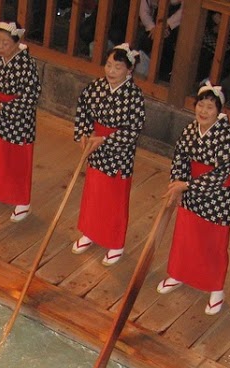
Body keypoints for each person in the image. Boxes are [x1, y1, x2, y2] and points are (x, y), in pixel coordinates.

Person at [157, 83, 230, 315]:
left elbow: (222, 172)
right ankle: (179, 273)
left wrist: (187, 185)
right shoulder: (190, 129)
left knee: (213, 244)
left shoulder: (228, 136)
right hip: (190, 191)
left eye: (209, 107)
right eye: (200, 106)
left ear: (219, 111)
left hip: (217, 197)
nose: (203, 111)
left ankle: (216, 289)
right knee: (186, 235)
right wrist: (177, 183)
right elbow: (180, 159)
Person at [72, 43, 146, 266]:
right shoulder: (96, 87)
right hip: (95, 148)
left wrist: (104, 139)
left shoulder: (134, 97)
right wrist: (83, 134)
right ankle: (90, 232)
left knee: (114, 200)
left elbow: (133, 129)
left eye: (117, 67)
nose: (111, 71)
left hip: (117, 155)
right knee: (94, 193)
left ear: (129, 71)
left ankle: (115, 243)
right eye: (109, 65)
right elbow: (83, 111)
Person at [0, 21, 42, 223]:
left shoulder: (26, 64)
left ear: (16, 43)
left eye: (5, 43)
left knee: (18, 160)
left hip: (18, 117)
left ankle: (22, 202)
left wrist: (3, 107)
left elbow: (31, 95)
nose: (0, 46)